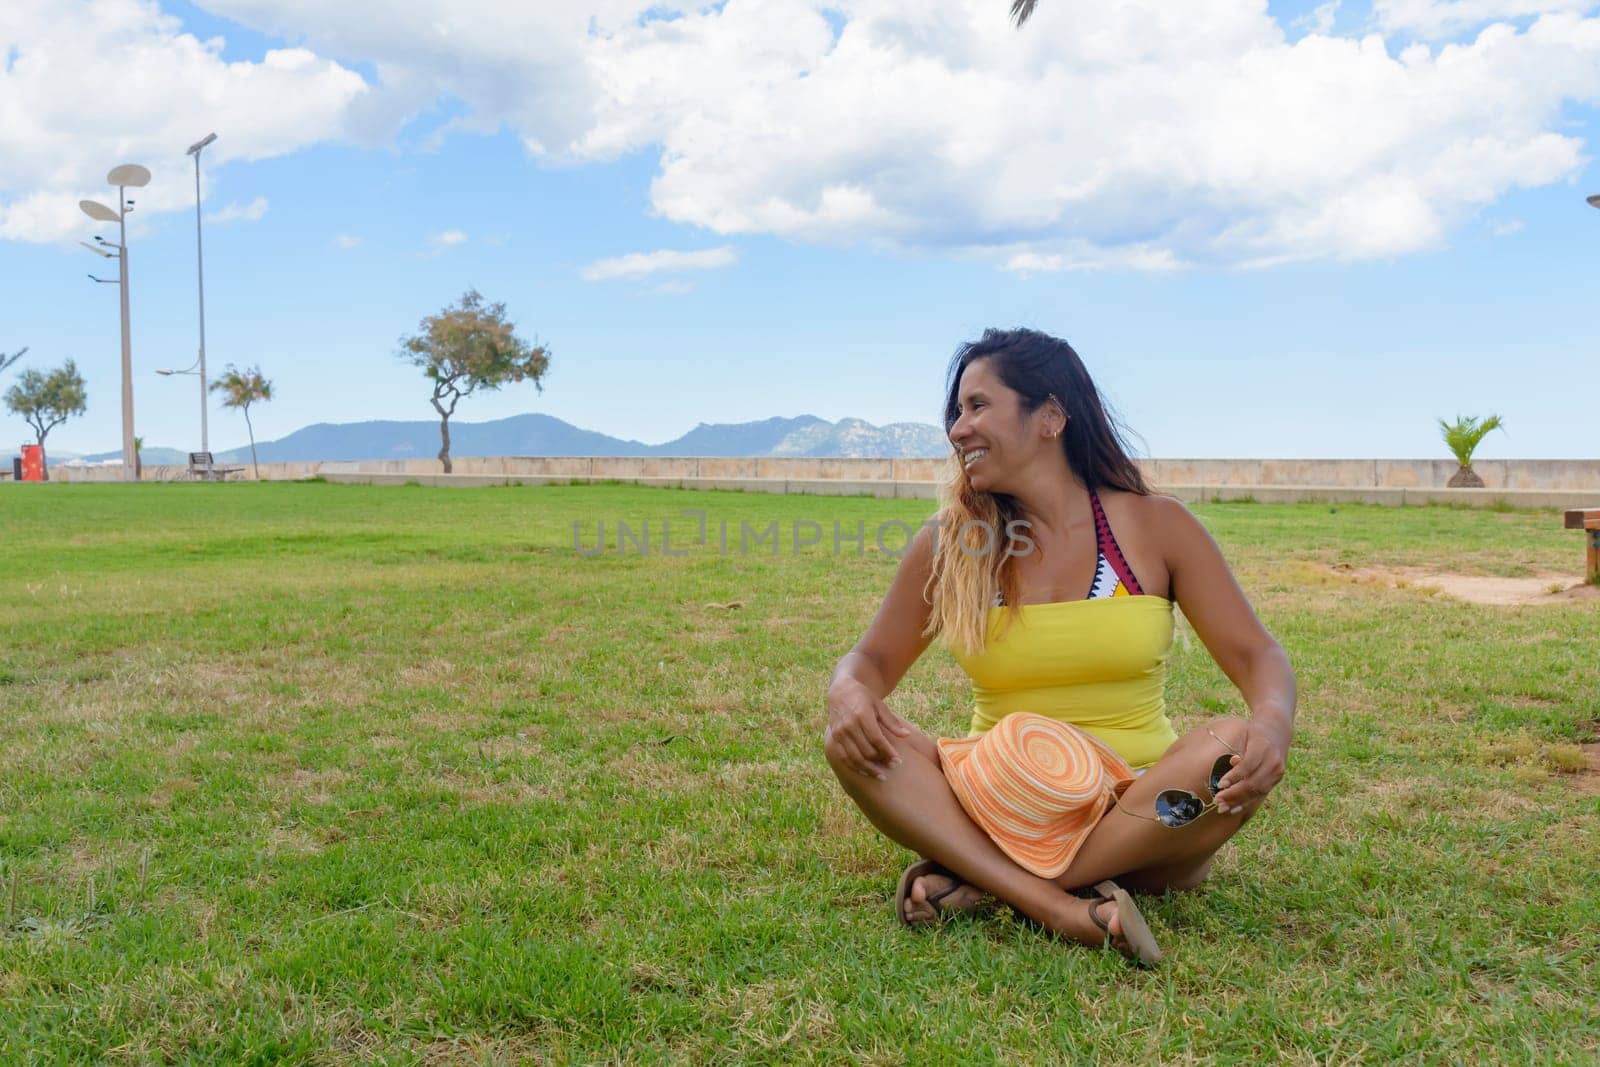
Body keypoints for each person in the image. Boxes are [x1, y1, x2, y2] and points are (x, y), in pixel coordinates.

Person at [823, 327, 1296, 965]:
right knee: (855, 747)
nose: (958, 430)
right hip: (1000, 803)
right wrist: (847, 691)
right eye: (956, 413)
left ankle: (994, 883)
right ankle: (1061, 907)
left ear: (1050, 415)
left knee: (1233, 743)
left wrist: (1271, 729)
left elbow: (1258, 657)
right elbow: (871, 662)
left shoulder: (1157, 526)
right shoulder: (948, 545)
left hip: (1141, 815)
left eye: (978, 406)